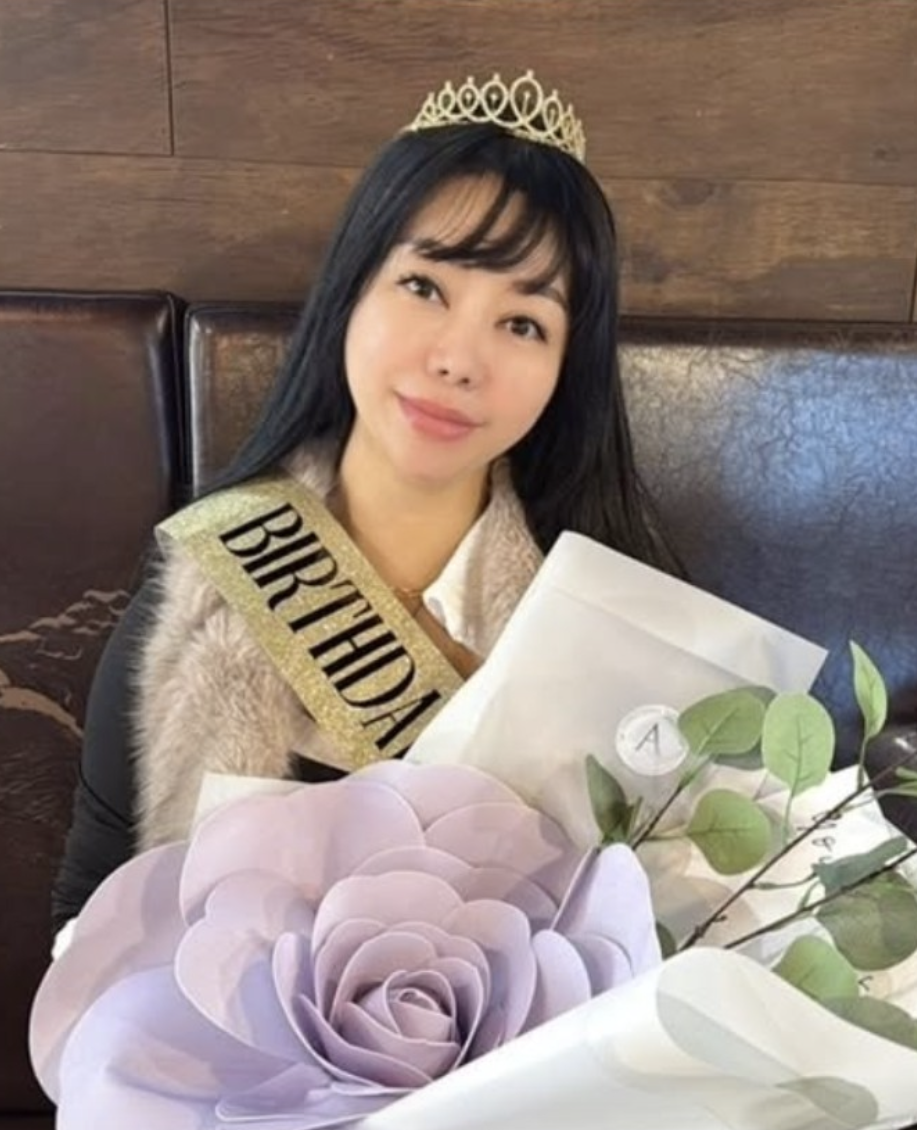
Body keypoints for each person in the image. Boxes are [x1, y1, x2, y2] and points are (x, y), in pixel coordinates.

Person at [51, 70, 678, 935]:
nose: (458, 359)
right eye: (424, 286)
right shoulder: (204, 586)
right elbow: (89, 916)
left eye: (523, 323)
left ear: (566, 369)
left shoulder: (611, 630)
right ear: (350, 290)